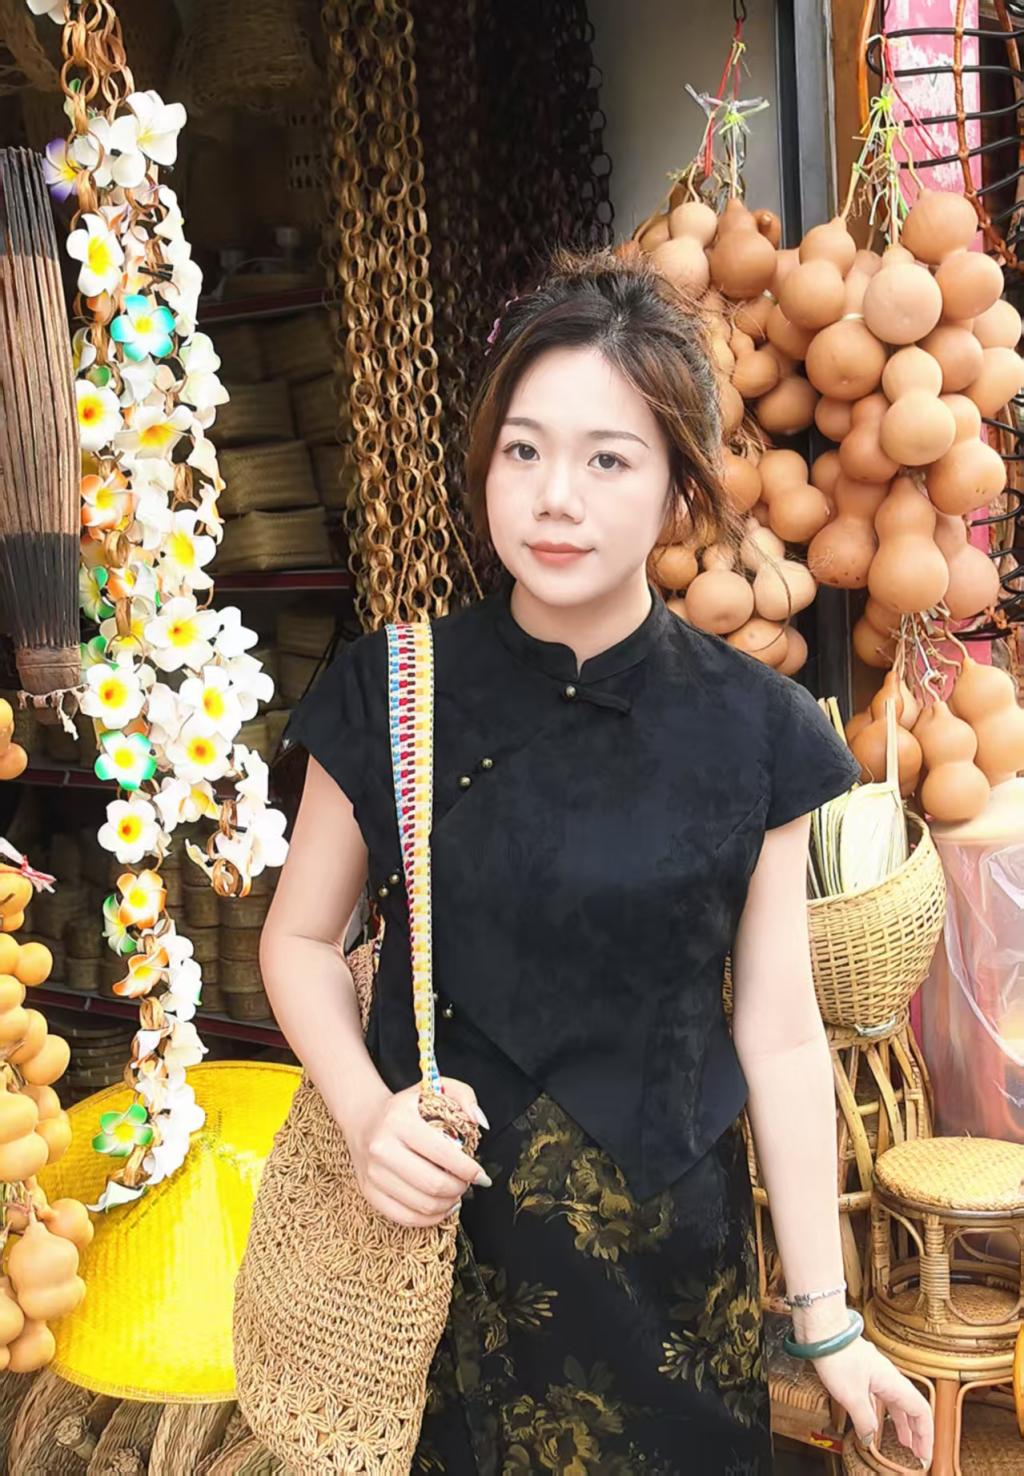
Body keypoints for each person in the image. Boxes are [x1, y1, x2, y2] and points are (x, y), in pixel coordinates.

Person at [261, 250, 934, 1473]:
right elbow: (302, 939)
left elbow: (780, 1031)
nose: (554, 498)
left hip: (670, 1287)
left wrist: (827, 1321)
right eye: (522, 451)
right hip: (433, 1265)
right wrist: (363, 1116)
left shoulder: (760, 728)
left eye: (607, 460)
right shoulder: (392, 690)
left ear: (679, 490)